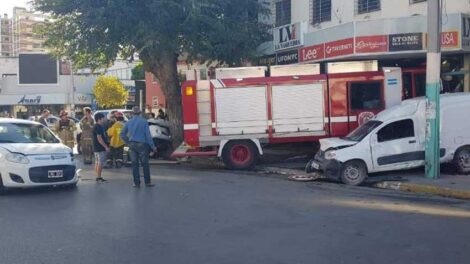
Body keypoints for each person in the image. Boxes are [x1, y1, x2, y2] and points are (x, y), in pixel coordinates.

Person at [120, 106, 156, 188]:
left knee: (134, 164)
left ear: (132, 113)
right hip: (142, 144)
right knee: (145, 164)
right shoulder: (144, 122)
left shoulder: (128, 122)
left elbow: (122, 134)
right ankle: (147, 182)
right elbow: (148, 135)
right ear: (140, 113)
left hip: (132, 144)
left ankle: (136, 183)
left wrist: (127, 142)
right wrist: (153, 147)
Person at [93, 113, 109, 183]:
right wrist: (105, 146)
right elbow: (99, 138)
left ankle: (98, 176)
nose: (104, 119)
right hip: (100, 147)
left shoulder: (98, 126)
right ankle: (99, 177)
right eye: (103, 118)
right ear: (99, 119)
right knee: (100, 163)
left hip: (96, 147)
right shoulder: (98, 127)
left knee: (97, 162)